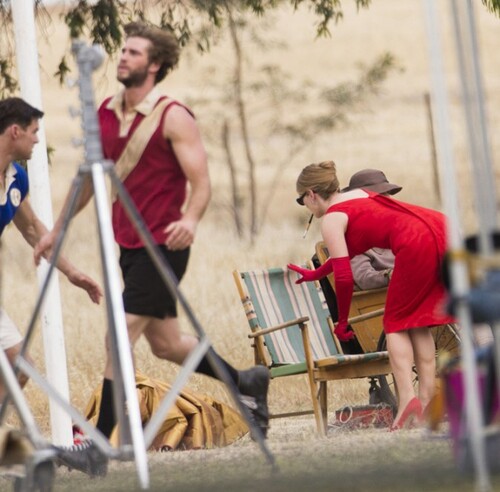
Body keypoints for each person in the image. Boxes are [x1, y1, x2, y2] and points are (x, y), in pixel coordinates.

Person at [34, 21, 270, 453]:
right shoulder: (105, 112)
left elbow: (201, 183)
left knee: (116, 338)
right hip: (128, 245)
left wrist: (193, 219)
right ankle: (247, 381)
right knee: (165, 345)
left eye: (135, 53)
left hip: (165, 246)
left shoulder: (173, 116)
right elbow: (86, 181)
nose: (123, 57)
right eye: (123, 52)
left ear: (155, 65)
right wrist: (55, 231)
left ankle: (100, 443)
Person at [288, 160, 455, 430]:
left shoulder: (331, 219)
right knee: (418, 321)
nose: (305, 206)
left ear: (311, 194)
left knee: (394, 324)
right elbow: (347, 254)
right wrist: (316, 275)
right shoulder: (358, 195)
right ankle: (424, 401)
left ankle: (407, 401)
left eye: (301, 200)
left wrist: (343, 323)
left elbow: (343, 278)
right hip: (440, 229)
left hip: (415, 243)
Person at [0, 97, 107, 476]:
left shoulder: (16, 178)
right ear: (14, 131)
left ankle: (12, 454)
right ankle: (17, 456)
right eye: (33, 133)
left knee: (19, 367)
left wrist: (73, 272)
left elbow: (33, 230)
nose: (36, 141)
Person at [341, 169, 400, 290]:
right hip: (386, 299)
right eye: (379, 197)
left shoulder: (398, 228)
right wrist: (390, 275)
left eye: (386, 195)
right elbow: (364, 279)